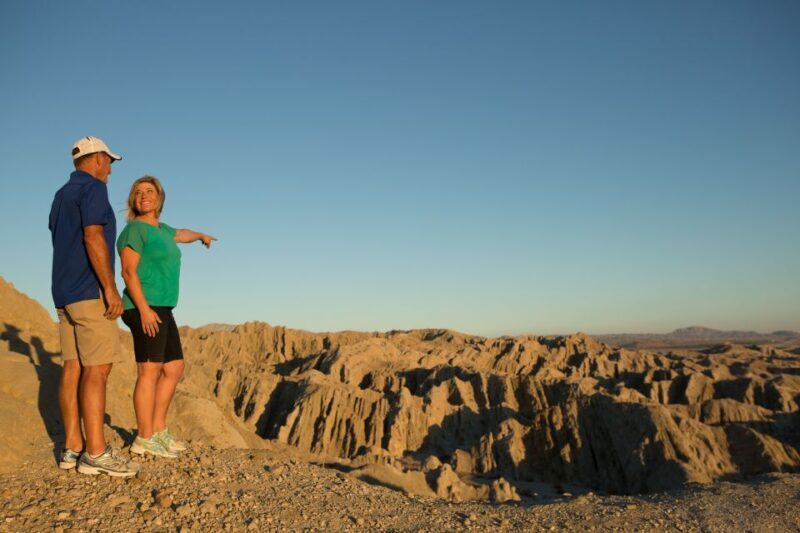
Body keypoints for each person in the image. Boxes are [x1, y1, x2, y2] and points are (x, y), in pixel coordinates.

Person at [49, 136, 139, 477]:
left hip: (63, 293)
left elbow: (62, 240)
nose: (111, 170)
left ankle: (72, 447)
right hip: (89, 293)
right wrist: (110, 288)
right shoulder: (93, 189)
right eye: (110, 162)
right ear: (98, 158)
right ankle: (97, 453)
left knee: (72, 367)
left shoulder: (61, 195)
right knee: (98, 370)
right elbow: (91, 237)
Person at [117, 175, 216, 458]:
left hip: (163, 307)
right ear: (133, 201)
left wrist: (200, 236)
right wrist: (145, 309)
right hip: (142, 307)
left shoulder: (161, 229)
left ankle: (158, 430)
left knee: (174, 368)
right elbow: (127, 272)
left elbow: (180, 233)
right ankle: (144, 437)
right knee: (149, 371)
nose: (143, 195)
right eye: (138, 192)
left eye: (149, 191)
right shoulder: (134, 230)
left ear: (159, 199)